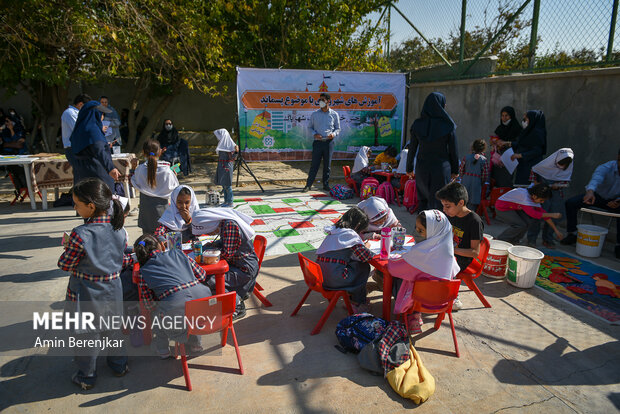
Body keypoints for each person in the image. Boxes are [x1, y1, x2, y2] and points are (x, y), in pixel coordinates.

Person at [57, 177, 130, 390]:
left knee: (86, 336)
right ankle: (119, 366)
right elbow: (122, 259)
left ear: (91, 206)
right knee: (114, 330)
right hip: (113, 289)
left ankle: (86, 376)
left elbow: (65, 264)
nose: (74, 208)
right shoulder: (119, 229)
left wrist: (68, 249)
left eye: (77, 204)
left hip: (86, 294)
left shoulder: (80, 234)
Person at [133, 234, 212, 358]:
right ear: (160, 245)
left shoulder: (144, 272)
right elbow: (202, 275)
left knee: (157, 313)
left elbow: (149, 305)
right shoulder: (179, 254)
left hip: (178, 318)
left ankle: (163, 350)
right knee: (191, 305)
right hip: (207, 313)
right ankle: (196, 344)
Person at [388, 209, 460, 333]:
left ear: (434, 232)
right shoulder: (450, 257)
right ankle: (415, 316)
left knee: (397, 278)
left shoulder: (418, 257)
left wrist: (394, 255)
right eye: (416, 228)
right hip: (443, 302)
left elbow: (393, 269)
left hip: (418, 301)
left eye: (421, 230)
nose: (416, 233)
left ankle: (413, 316)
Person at [191, 208, 259, 320]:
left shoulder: (230, 226)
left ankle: (236, 304)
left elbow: (226, 253)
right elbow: (227, 242)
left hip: (244, 269)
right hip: (238, 265)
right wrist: (212, 246)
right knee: (209, 276)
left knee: (209, 279)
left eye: (207, 231)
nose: (208, 233)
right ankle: (233, 295)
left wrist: (205, 255)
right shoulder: (224, 224)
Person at [560, 149, 620, 258]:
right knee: (571, 203)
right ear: (618, 158)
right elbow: (596, 179)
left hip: (616, 200)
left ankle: (619, 245)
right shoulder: (607, 167)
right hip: (597, 196)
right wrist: (590, 192)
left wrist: (618, 201)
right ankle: (572, 233)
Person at [406, 92, 459, 211]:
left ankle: (422, 227)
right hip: (441, 169)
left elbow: (412, 148)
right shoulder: (448, 125)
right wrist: (455, 170)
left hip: (422, 168)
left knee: (423, 202)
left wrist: (409, 168)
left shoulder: (417, 124)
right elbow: (453, 151)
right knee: (440, 202)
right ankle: (437, 228)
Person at [436, 182, 484, 311]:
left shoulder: (474, 221)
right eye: (443, 206)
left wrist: (451, 249)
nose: (444, 210)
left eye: (447, 206)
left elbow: (474, 252)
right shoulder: (453, 215)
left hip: (464, 259)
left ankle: (452, 296)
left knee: (438, 265)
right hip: (452, 252)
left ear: (461, 203)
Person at [316, 207, 374, 313]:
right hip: (335, 279)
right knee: (363, 267)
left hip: (322, 278)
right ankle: (357, 302)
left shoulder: (334, 231)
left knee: (354, 265)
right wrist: (367, 246)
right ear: (357, 225)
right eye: (361, 230)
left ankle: (354, 299)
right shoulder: (350, 235)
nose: (360, 233)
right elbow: (365, 256)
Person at [527, 148, 574, 248]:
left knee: (554, 216)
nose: (562, 167)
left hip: (556, 194)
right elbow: (534, 171)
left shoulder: (568, 167)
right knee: (538, 215)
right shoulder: (544, 165)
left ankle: (548, 239)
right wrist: (537, 185)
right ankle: (531, 239)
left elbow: (566, 180)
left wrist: (558, 185)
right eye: (561, 163)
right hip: (542, 192)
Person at [69, 100, 121, 192]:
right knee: (100, 200)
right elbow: (99, 150)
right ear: (95, 114)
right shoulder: (93, 130)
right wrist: (110, 168)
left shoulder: (79, 129)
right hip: (97, 174)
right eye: (101, 113)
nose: (102, 117)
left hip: (81, 174)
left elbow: (86, 147)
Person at [131, 139, 179, 234]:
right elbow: (174, 188)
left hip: (146, 212)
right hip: (163, 212)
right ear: (160, 151)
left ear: (143, 152)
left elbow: (133, 182)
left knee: (148, 240)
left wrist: (133, 168)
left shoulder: (140, 169)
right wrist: (175, 175)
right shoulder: (167, 171)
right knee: (163, 240)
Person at [495, 184, 563, 245]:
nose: (542, 202)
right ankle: (500, 240)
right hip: (502, 208)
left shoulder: (534, 197)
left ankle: (514, 241)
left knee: (527, 223)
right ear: (534, 196)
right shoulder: (524, 197)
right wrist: (552, 215)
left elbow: (545, 215)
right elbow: (534, 214)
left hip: (514, 208)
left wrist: (556, 230)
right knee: (520, 225)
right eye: (541, 200)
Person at [303, 93, 340, 192]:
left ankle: (326, 184)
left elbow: (338, 128)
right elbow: (309, 127)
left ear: (328, 101)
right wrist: (315, 134)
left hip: (329, 143)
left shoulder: (334, 114)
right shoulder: (315, 114)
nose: (320, 102)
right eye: (320, 100)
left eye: (323, 100)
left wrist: (334, 134)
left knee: (327, 165)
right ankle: (308, 185)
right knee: (314, 164)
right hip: (318, 142)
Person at [499, 110, 547, 186]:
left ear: (532, 119)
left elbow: (537, 151)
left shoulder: (537, 133)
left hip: (531, 167)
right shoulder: (527, 132)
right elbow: (521, 144)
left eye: (526, 119)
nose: (524, 122)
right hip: (523, 166)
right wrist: (507, 143)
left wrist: (520, 155)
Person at [61, 94, 92, 181]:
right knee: (80, 175)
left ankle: (81, 194)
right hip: (73, 148)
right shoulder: (70, 113)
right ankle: (78, 194)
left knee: (83, 175)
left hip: (79, 148)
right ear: (81, 104)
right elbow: (80, 129)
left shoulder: (78, 113)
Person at [492, 106, 522, 187]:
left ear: (511, 116)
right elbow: (495, 139)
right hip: (498, 160)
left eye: (506, 116)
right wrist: (495, 142)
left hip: (510, 159)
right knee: (497, 180)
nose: (504, 118)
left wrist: (505, 143)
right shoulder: (499, 128)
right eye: (502, 116)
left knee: (507, 181)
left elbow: (519, 143)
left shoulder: (517, 129)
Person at [458, 139, 489, 212]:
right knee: (472, 203)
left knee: (463, 200)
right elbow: (485, 174)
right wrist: (481, 182)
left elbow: (461, 169)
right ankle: (469, 218)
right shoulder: (484, 160)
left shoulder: (466, 157)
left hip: (465, 180)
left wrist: (463, 177)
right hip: (476, 182)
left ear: (473, 147)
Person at [214, 128, 238, 207]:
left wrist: (236, 151)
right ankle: (225, 201)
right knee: (224, 185)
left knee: (228, 185)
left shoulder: (230, 145)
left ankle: (230, 201)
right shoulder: (222, 144)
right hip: (221, 166)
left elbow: (233, 158)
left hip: (227, 166)